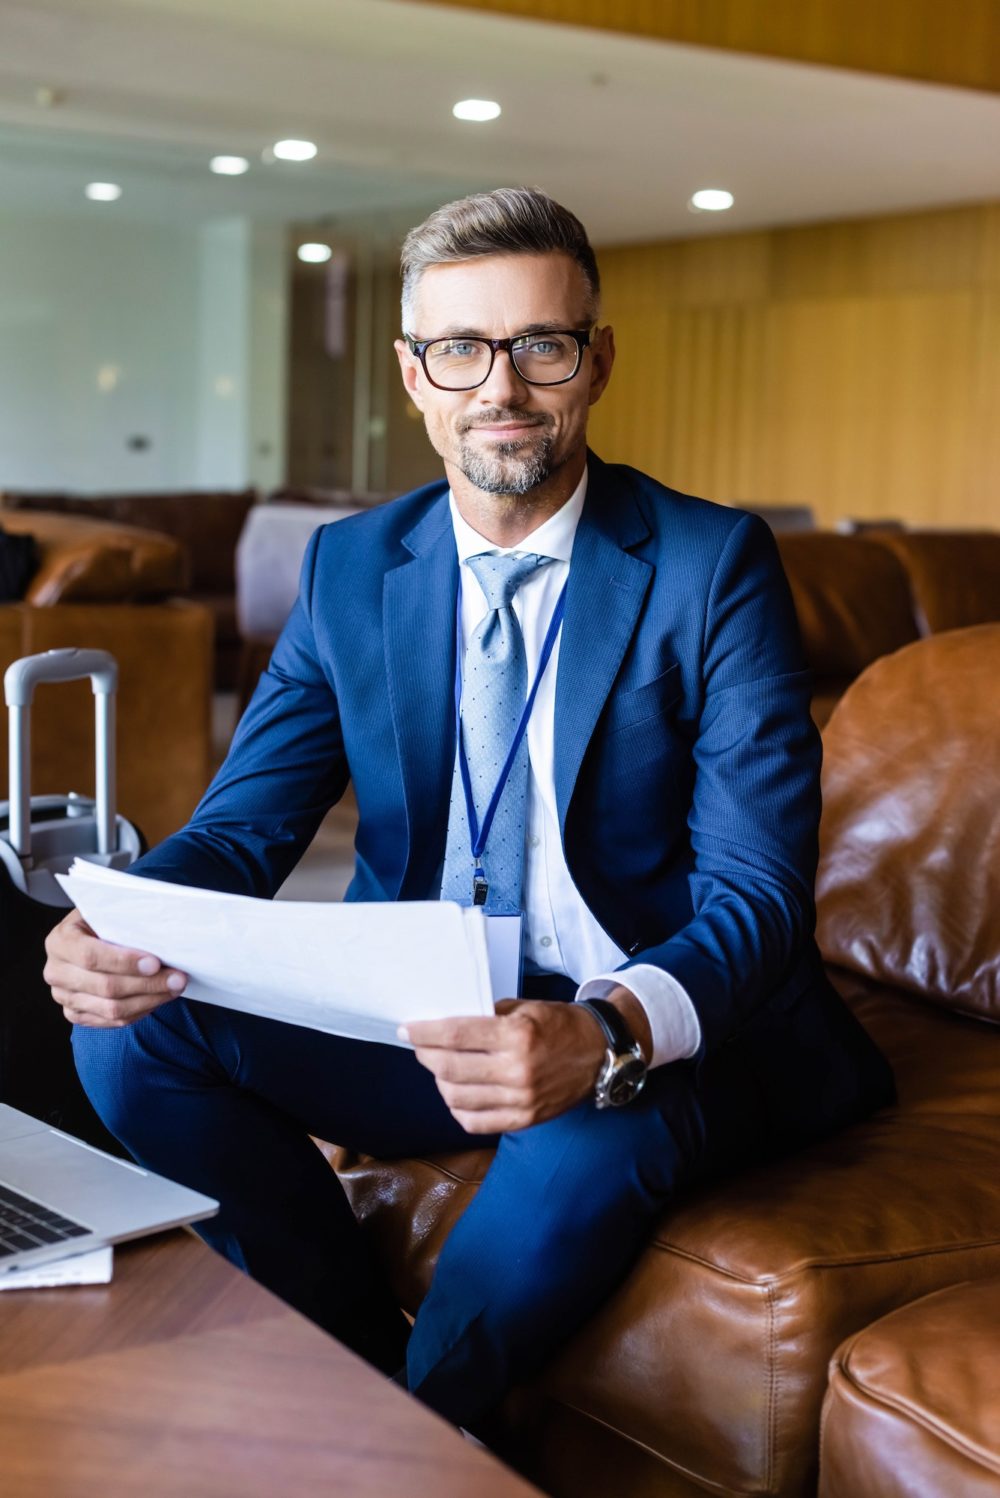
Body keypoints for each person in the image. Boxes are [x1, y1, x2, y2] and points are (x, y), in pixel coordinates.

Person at [44, 188, 893, 1429]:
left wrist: (602, 1032)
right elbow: (240, 832)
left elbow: (755, 897)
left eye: (540, 345)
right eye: (461, 350)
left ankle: (405, 1444)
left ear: (593, 362)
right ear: (414, 375)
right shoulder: (352, 567)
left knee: (578, 1133)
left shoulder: (712, 565)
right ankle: (344, 1381)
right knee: (126, 1035)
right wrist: (119, 921)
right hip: (424, 1010)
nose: (501, 387)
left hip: (653, 1022)